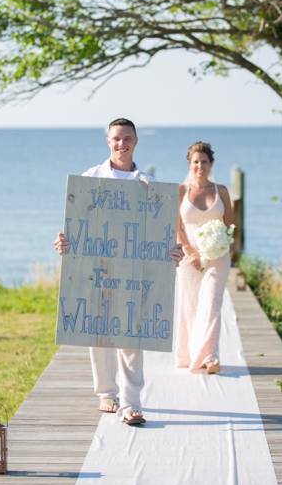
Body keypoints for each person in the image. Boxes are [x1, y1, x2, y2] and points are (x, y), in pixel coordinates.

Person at [53, 118, 184, 425]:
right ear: (108, 142)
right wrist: (65, 243)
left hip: (135, 272)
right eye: (116, 138)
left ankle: (132, 402)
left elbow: (158, 234)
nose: (121, 143)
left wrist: (172, 251)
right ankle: (107, 393)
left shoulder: (149, 184)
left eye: (127, 138)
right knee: (98, 332)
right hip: (96, 268)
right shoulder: (90, 179)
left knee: (132, 333)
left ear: (136, 142)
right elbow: (77, 223)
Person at [174, 141, 235, 374]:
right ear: (190, 164)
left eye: (204, 161)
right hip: (189, 260)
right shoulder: (182, 190)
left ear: (212, 164)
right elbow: (175, 226)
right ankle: (188, 354)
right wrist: (189, 253)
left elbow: (229, 225)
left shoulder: (222, 191)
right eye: (196, 162)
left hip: (217, 257)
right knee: (190, 306)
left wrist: (218, 244)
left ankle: (210, 357)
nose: (200, 166)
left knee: (211, 302)